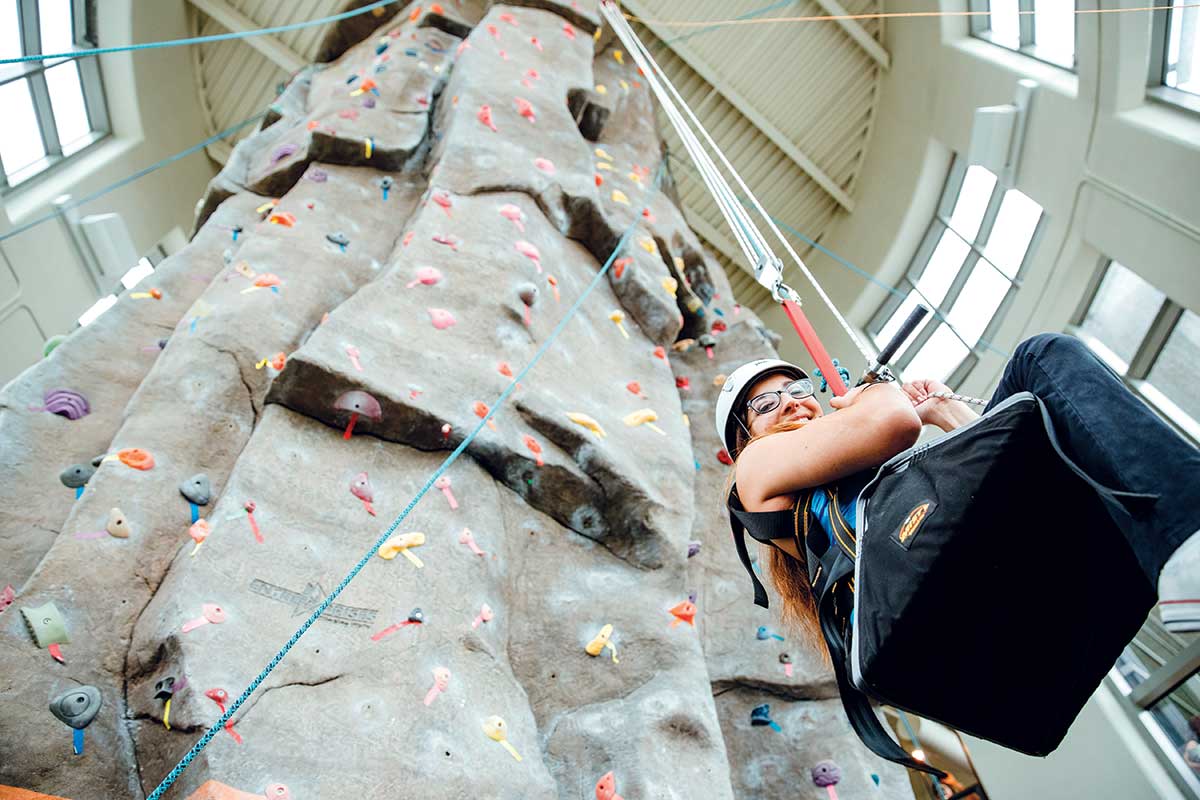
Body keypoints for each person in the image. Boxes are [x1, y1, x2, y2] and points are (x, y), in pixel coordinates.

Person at [716, 333, 1200, 659]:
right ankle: (1185, 534)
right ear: (744, 436)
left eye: (797, 388)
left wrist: (944, 413)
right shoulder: (755, 468)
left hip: (963, 556)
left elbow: (1010, 457)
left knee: (1041, 401)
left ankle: (1175, 543)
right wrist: (879, 393)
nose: (790, 402)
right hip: (925, 575)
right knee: (1039, 356)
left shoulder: (851, 469)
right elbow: (895, 423)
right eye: (764, 403)